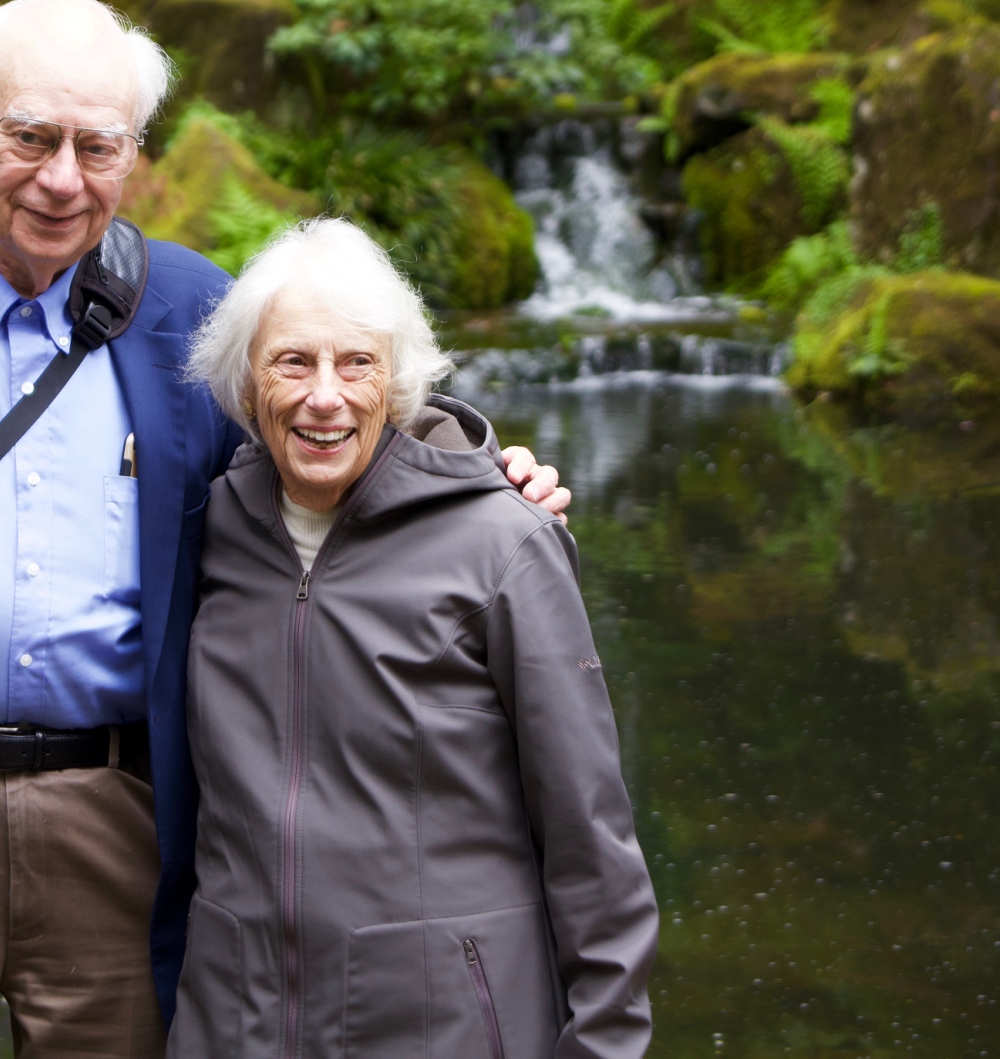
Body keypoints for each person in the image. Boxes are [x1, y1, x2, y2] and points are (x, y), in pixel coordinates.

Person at [0, 0, 568, 1056]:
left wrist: (474, 476)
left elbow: (326, 457)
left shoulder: (195, 309)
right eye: (30, 137)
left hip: (121, 816)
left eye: (97, 147)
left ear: (134, 152)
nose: (60, 179)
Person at [169, 217, 658, 1059]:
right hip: (237, 1022)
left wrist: (605, 1042)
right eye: (294, 360)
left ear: (397, 382)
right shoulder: (204, 530)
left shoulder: (502, 543)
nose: (327, 394)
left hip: (441, 1026)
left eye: (356, 361)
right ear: (247, 383)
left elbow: (590, 836)